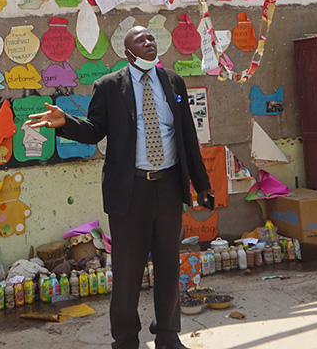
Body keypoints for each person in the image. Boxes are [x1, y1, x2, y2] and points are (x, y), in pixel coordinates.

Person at [26, 26, 213, 349]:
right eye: (140, 41)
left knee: (169, 264)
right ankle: (126, 340)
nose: (149, 42)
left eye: (152, 38)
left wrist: (202, 184)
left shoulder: (173, 82)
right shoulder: (109, 86)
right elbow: (95, 131)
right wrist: (66, 122)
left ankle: (168, 334)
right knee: (127, 271)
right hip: (130, 190)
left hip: (168, 187)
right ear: (128, 53)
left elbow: (186, 136)